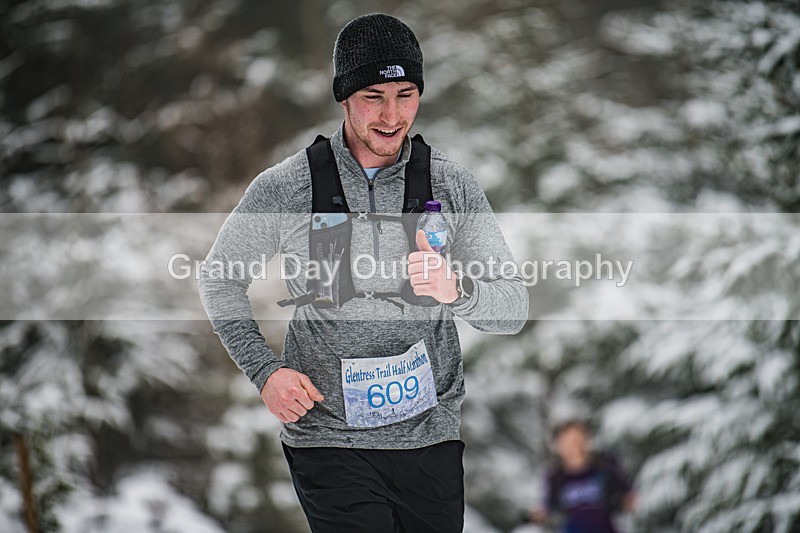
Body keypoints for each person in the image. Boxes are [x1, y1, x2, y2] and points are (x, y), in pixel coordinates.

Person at [198, 12, 529, 533]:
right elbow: (219, 277)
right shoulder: (289, 186)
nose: (392, 115)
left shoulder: (451, 185)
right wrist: (266, 373)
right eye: (374, 96)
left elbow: (513, 307)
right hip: (328, 439)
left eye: (405, 94)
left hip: (429, 438)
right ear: (345, 98)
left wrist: (458, 289)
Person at [528, 420, 636, 533]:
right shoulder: (555, 477)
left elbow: (628, 494)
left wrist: (627, 502)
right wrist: (539, 515)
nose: (574, 446)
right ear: (559, 446)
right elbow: (547, 507)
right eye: (568, 442)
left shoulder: (605, 466)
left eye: (577, 439)